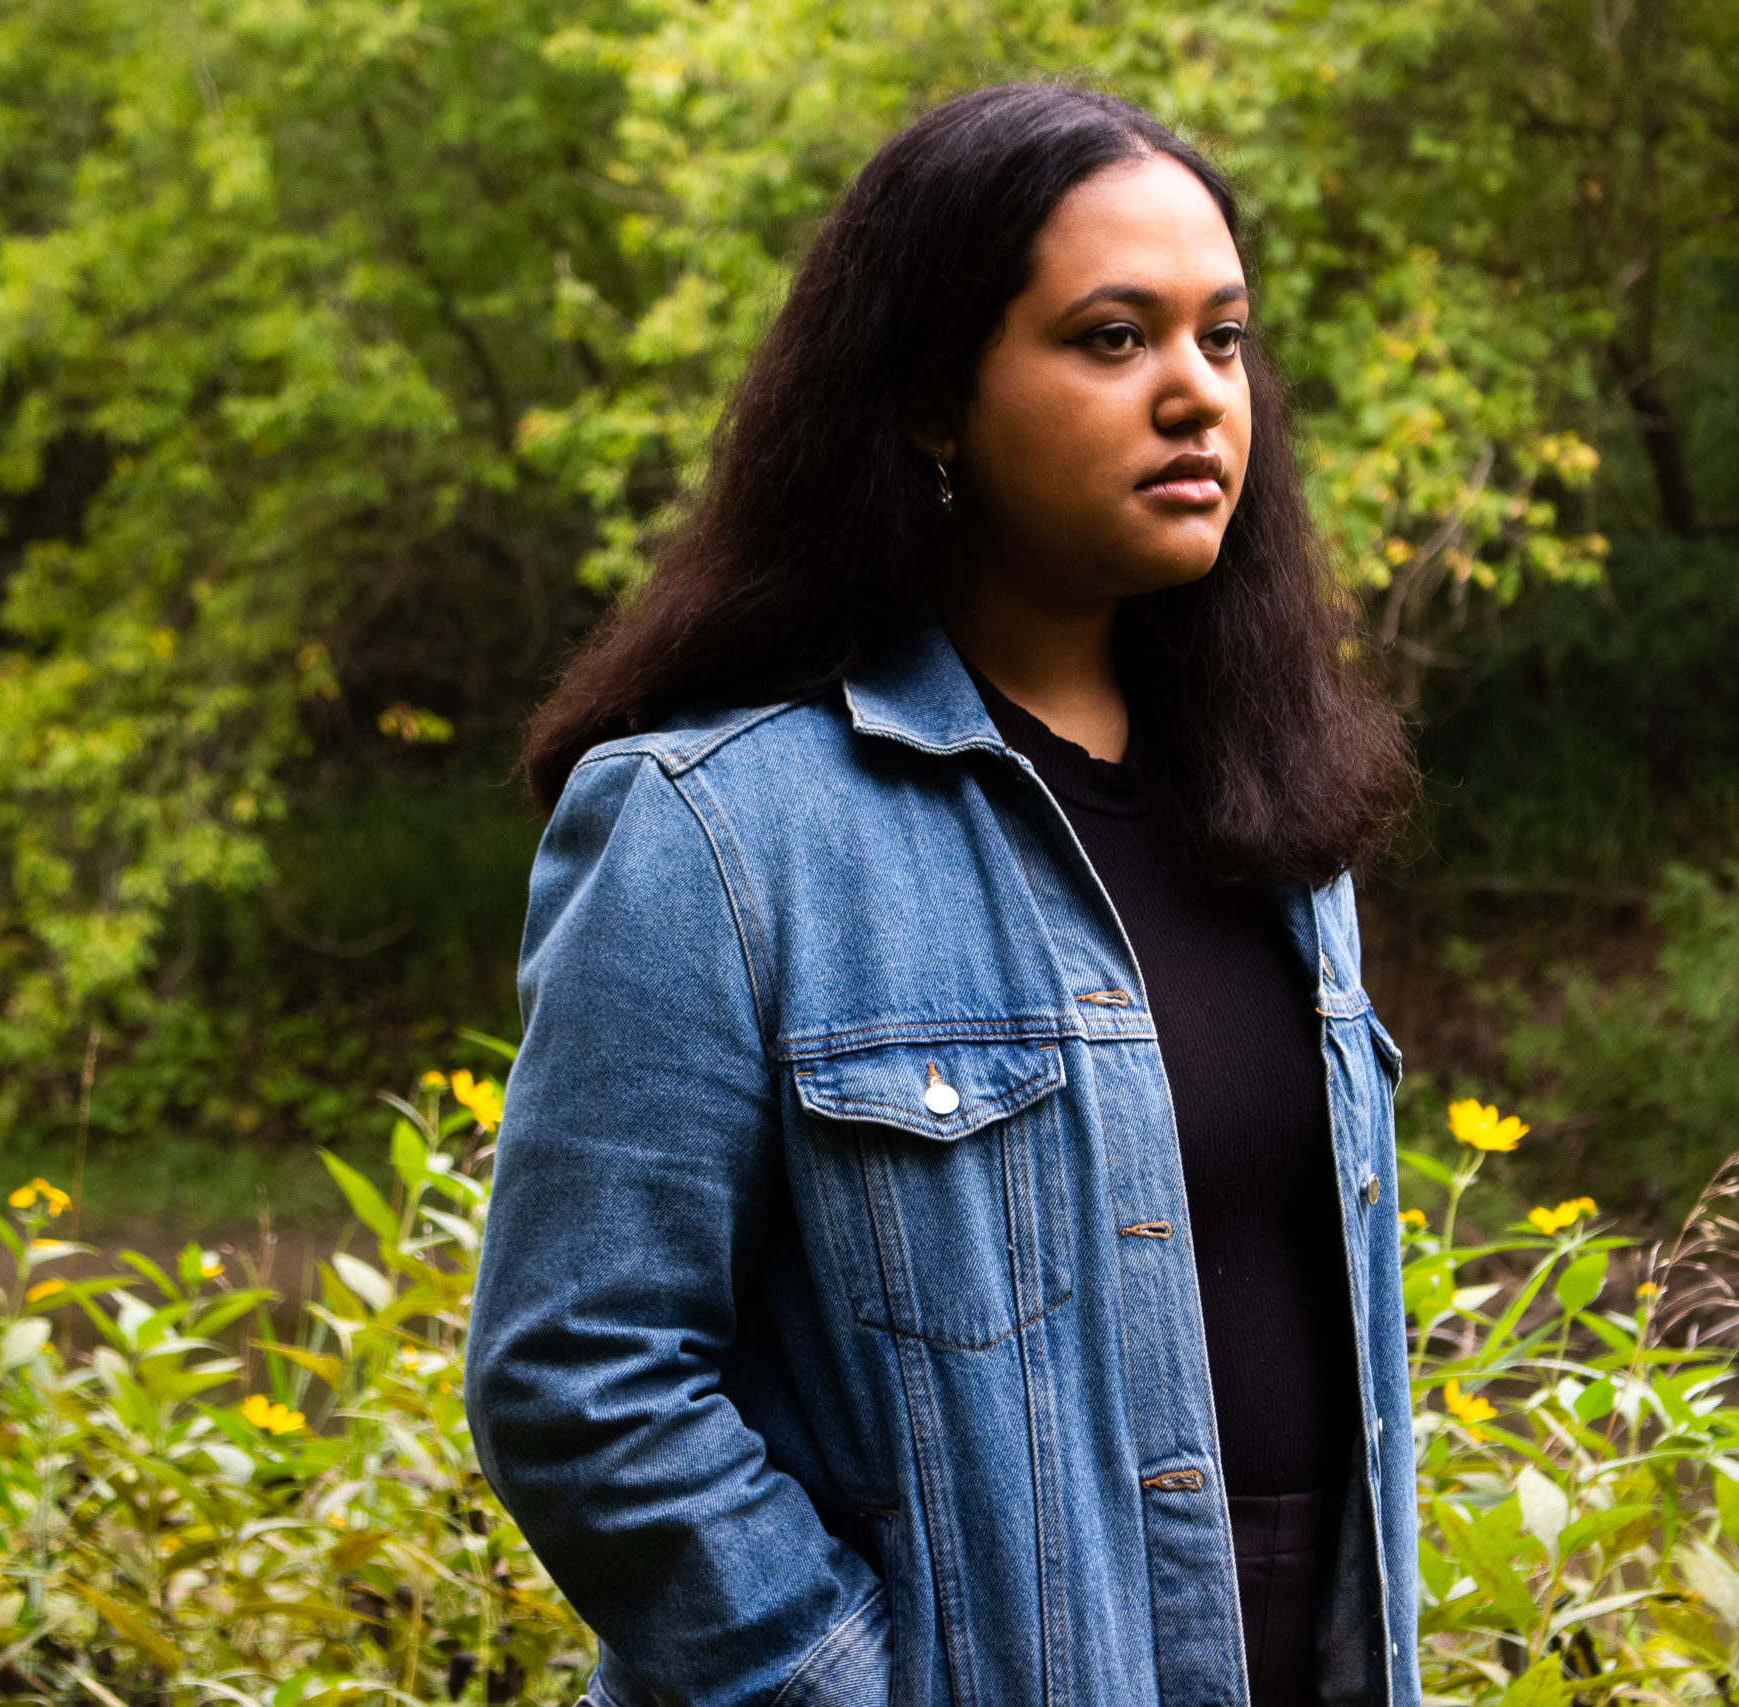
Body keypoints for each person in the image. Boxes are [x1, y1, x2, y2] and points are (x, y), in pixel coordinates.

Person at [465, 81, 1419, 1707]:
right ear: (930, 401)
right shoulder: (721, 829)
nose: (1196, 395)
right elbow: (583, 1379)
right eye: (1115, 339)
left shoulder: (1279, 825)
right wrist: (854, 1681)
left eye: (1224, 338)